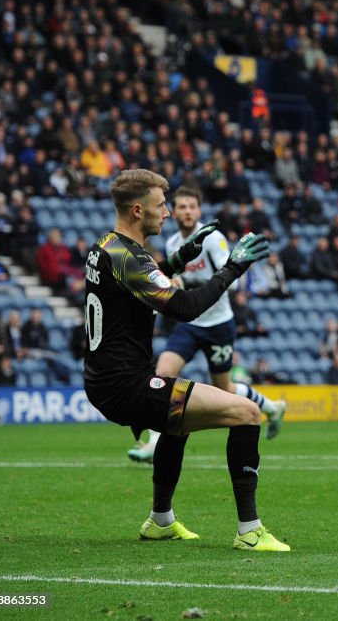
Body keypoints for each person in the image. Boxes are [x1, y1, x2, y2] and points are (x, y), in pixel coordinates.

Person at [83, 169, 288, 551]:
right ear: (137, 210)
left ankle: (161, 520)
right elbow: (187, 306)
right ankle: (250, 531)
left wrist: (179, 259)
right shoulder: (129, 257)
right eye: (162, 205)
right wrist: (233, 267)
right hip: (126, 385)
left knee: (178, 423)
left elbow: (138, 285)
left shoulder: (105, 247)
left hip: (107, 379)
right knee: (246, 413)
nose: (168, 213)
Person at [127, 186, 287, 467]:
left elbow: (232, 282)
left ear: (199, 211)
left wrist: (185, 285)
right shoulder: (173, 242)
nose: (187, 211)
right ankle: (153, 443)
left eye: (192, 206)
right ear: (173, 211)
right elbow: (172, 278)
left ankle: (272, 407)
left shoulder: (213, 239)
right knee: (162, 374)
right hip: (189, 324)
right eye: (182, 207)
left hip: (218, 325)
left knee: (223, 387)